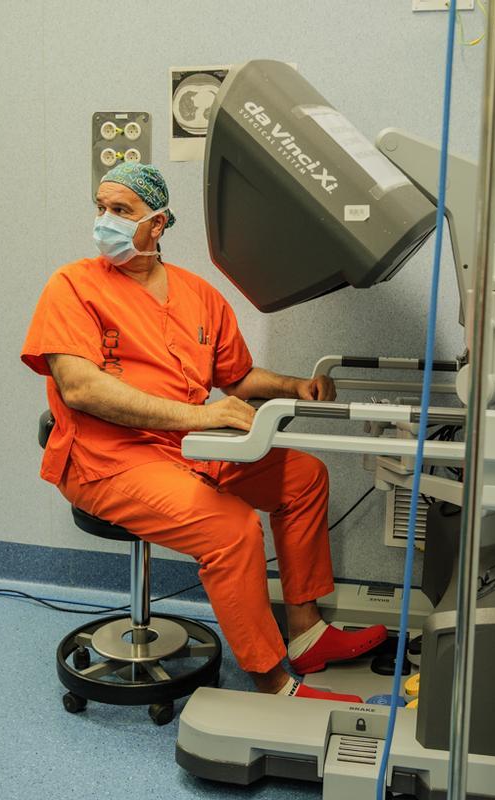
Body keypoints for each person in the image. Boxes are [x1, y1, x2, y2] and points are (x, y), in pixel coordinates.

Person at [21, 162, 385, 701]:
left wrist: (295, 385)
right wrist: (200, 416)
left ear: (158, 224)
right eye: (101, 209)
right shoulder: (72, 286)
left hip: (187, 448)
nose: (106, 222)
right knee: (231, 529)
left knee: (303, 478)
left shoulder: (200, 296)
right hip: (107, 460)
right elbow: (80, 389)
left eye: (121, 211)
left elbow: (235, 377)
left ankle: (306, 633)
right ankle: (274, 680)